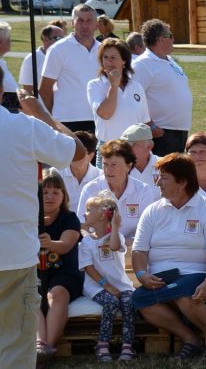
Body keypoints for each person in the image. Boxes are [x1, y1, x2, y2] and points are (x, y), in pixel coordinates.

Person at [0, 83, 83, 368]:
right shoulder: (24, 127)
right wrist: (41, 114)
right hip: (14, 254)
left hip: (16, 252)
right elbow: (77, 150)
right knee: (15, 346)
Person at [131, 153, 206, 361]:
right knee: (140, 299)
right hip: (164, 280)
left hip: (202, 278)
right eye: (158, 176)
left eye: (164, 177)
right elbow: (139, 250)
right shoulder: (152, 211)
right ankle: (190, 339)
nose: (158, 182)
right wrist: (141, 275)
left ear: (182, 182)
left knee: (185, 292)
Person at [78, 195, 135, 362]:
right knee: (111, 302)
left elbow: (114, 246)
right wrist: (107, 286)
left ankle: (127, 345)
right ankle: (102, 344)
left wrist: (115, 226)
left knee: (128, 302)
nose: (85, 214)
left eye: (89, 210)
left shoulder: (117, 237)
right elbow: (88, 268)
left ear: (102, 215)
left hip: (121, 285)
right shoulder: (86, 242)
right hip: (96, 286)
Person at [36, 172, 84, 362]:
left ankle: (46, 350)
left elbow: (65, 245)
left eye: (56, 192)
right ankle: (40, 345)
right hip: (36, 275)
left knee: (57, 295)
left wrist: (50, 243)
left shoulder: (69, 218)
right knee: (31, 297)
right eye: (45, 192)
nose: (50, 196)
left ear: (63, 196)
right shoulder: (29, 220)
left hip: (65, 274)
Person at [77, 140, 160, 244]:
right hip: (98, 247)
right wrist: (98, 244)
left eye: (114, 165)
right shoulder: (91, 188)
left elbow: (148, 229)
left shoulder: (143, 190)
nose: (108, 170)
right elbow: (82, 226)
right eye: (105, 164)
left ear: (128, 166)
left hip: (133, 247)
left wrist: (121, 245)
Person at [132, 19, 192, 156]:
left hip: (178, 131)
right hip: (160, 133)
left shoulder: (169, 60)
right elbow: (133, 98)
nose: (173, 39)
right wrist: (150, 125)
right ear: (161, 39)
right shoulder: (142, 64)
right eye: (170, 35)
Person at [40, 4, 101, 134]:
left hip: (99, 118)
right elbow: (45, 88)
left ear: (96, 24)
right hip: (67, 120)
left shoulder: (103, 50)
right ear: (73, 23)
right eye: (80, 20)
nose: (85, 25)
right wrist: (52, 120)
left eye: (89, 21)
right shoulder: (58, 49)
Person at [87, 39, 151, 147]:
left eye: (113, 57)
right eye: (105, 57)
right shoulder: (95, 85)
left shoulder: (136, 86)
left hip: (135, 148)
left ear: (124, 60)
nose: (109, 61)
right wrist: (114, 85)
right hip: (108, 148)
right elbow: (105, 114)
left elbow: (143, 122)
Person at [57, 131, 102, 211]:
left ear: (91, 156)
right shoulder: (56, 174)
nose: (74, 155)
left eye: (79, 152)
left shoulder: (101, 177)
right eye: (71, 150)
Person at [18, 25, 65, 92]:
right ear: (45, 39)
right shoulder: (31, 59)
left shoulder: (65, 56)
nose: (63, 42)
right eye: (58, 38)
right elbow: (27, 89)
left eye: (64, 38)